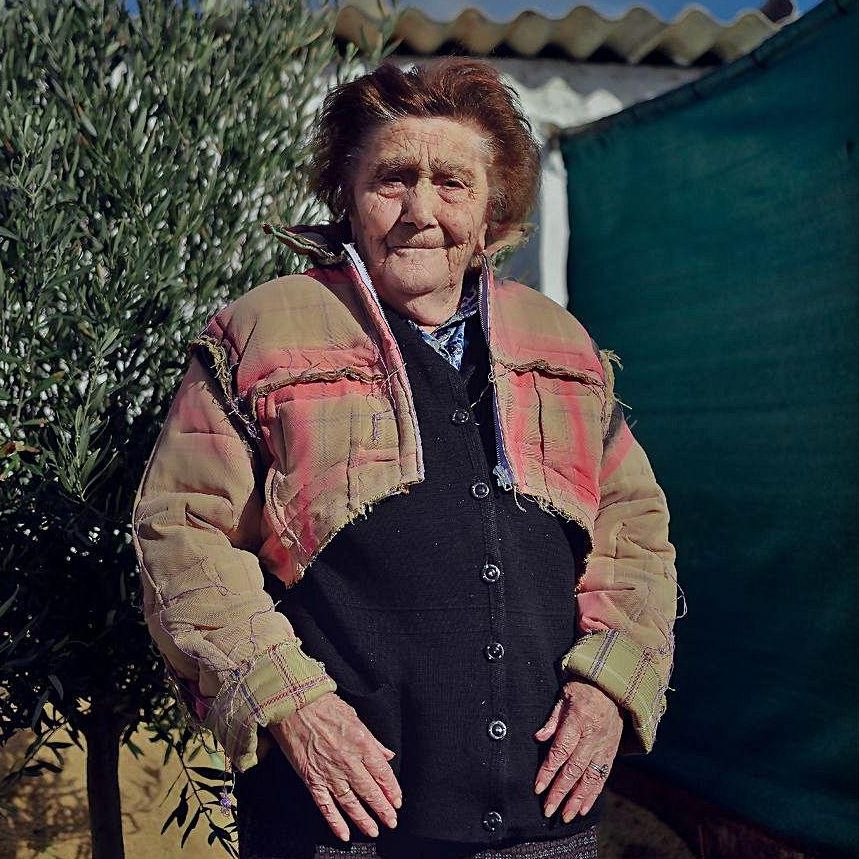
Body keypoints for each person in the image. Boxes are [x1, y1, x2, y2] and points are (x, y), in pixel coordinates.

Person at [133, 58, 678, 859]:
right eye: (393, 178)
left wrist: (605, 685)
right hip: (340, 817)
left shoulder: (560, 344)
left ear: (492, 207)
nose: (420, 210)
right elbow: (180, 535)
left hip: (541, 818)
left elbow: (635, 535)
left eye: (451, 183)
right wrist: (290, 704)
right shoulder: (261, 332)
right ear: (346, 196)